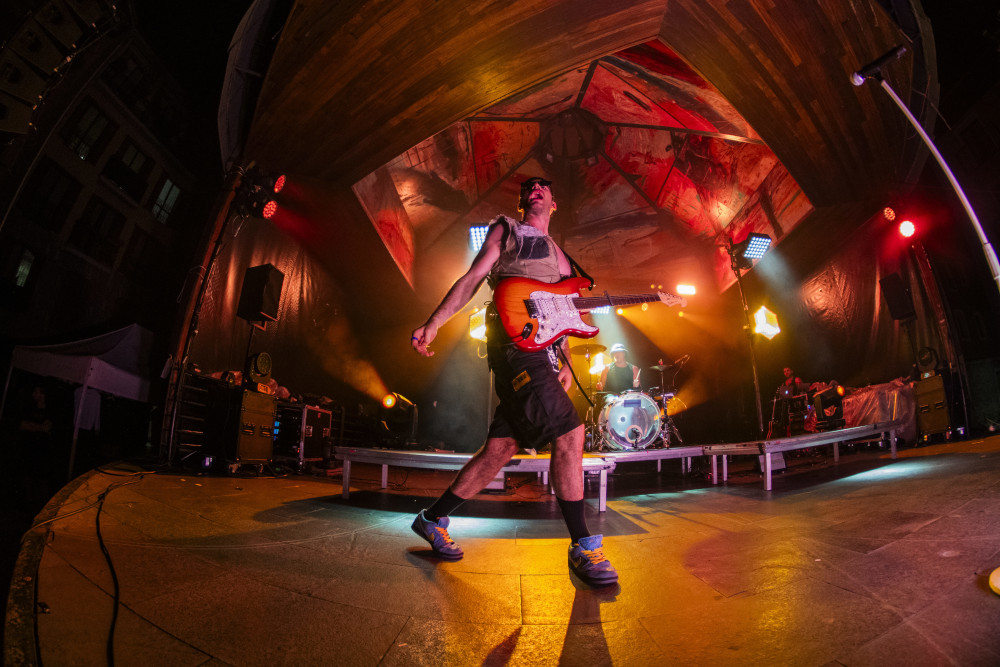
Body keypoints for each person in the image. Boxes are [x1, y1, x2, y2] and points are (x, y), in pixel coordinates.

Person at [409, 176, 618, 586]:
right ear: (523, 200)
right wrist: (434, 322)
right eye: (529, 186)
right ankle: (582, 545)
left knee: (500, 449)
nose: (535, 187)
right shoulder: (508, 230)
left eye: (544, 186)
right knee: (570, 433)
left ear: (554, 202)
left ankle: (431, 519)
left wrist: (565, 357)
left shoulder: (561, 257)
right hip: (513, 346)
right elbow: (472, 278)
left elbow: (563, 310)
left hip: (542, 354)